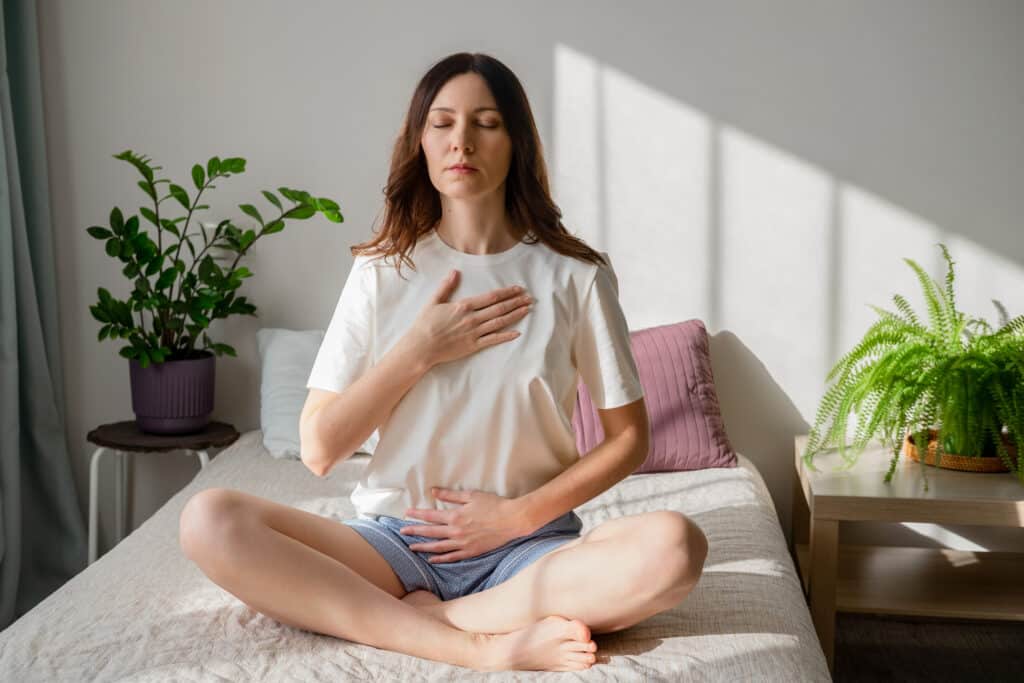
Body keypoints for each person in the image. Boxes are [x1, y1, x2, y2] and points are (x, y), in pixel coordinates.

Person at [179, 52, 708, 673]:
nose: (462, 141)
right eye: (442, 123)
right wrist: (419, 349)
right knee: (209, 519)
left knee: (675, 546)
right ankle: (474, 645)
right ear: (420, 142)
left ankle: (437, 621)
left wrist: (515, 517)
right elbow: (320, 448)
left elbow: (629, 439)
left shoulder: (575, 276)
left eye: (486, 122)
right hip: (395, 543)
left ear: (516, 143)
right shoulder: (383, 271)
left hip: (528, 546)